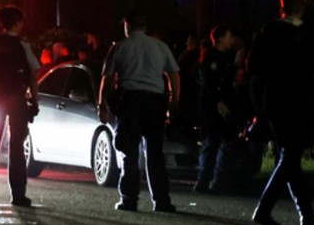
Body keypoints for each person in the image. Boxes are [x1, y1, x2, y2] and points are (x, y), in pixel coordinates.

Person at [248, 0, 314, 225]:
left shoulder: (267, 33)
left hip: (273, 103)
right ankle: (264, 208)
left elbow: (255, 70)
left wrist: (260, 106)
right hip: (298, 102)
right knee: (291, 155)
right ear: (301, 9)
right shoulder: (304, 36)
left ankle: (306, 213)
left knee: (289, 156)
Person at [98, 12, 180, 213]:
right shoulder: (160, 46)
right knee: (155, 153)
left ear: (127, 25)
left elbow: (107, 79)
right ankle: (161, 201)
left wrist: (102, 105)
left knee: (130, 152)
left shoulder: (119, 47)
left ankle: (129, 199)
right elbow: (174, 75)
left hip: (130, 102)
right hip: (155, 103)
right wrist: (173, 100)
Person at [0, 5, 40, 208]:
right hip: (16, 100)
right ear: (17, 23)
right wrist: (34, 101)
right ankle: (18, 195)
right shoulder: (22, 45)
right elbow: (33, 74)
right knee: (17, 147)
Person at [193, 24, 239, 194]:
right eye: (228, 36)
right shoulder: (210, 57)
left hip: (224, 105)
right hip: (211, 107)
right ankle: (205, 181)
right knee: (211, 142)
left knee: (225, 141)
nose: (231, 39)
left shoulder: (228, 56)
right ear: (220, 39)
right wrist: (218, 101)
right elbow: (208, 83)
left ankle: (217, 180)